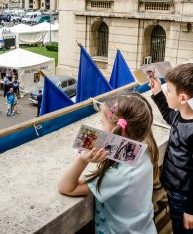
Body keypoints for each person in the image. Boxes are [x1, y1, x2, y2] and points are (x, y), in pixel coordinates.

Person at [57, 93, 159, 234]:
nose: (99, 127)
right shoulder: (145, 149)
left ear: (118, 130)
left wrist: (82, 160)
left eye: (102, 123)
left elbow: (66, 188)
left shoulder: (119, 175)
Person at [149, 63, 193, 233]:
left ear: (183, 98)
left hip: (184, 197)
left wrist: (191, 210)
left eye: (168, 90)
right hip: (174, 189)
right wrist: (158, 93)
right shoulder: (182, 113)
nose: (167, 93)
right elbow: (170, 116)